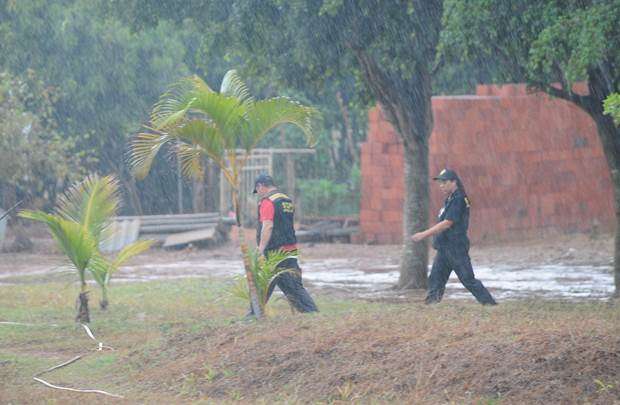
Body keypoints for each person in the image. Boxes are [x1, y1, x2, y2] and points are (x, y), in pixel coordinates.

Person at [412, 169, 497, 305]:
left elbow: (447, 223)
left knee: (468, 280)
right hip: (444, 248)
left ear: (454, 182)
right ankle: (431, 305)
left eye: (444, 182)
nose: (441, 185)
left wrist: (424, 234)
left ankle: (490, 304)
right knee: (436, 278)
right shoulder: (450, 199)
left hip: (456, 248)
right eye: (440, 182)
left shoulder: (459, 199)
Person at [251, 173, 318, 313]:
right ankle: (311, 312)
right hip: (290, 249)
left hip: (275, 251)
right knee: (292, 286)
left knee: (264, 283)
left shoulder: (268, 201)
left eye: (257, 190)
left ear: (260, 186)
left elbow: (268, 226)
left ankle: (254, 315)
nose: (258, 194)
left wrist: (261, 248)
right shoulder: (286, 200)